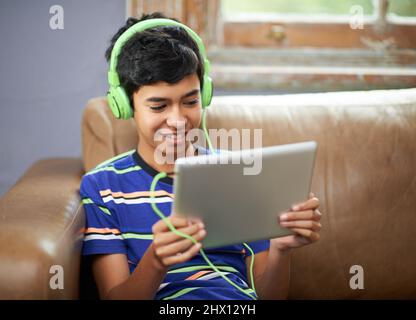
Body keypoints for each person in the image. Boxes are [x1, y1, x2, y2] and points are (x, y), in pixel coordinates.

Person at [80, 12, 322, 300]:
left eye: (191, 101)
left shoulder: (240, 176)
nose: (178, 120)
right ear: (125, 105)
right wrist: (155, 262)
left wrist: (281, 248)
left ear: (205, 94)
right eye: (158, 106)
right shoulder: (102, 187)